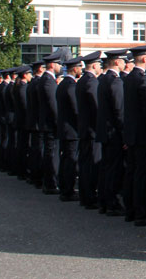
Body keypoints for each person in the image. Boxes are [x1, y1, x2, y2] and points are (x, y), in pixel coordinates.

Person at [123, 44, 146, 225]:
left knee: (133, 172)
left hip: (131, 133)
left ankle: (131, 209)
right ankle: (140, 212)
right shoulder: (141, 79)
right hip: (141, 133)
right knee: (140, 174)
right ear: (144, 58)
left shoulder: (129, 78)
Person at [97, 49, 127, 215]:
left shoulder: (104, 80)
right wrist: (124, 135)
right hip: (114, 133)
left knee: (106, 168)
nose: (124, 64)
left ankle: (104, 201)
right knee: (113, 170)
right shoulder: (115, 81)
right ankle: (111, 202)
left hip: (105, 132)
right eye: (123, 61)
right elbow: (119, 111)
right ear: (117, 62)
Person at [76, 51, 102, 210]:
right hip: (92, 129)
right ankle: (90, 196)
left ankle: (85, 195)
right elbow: (97, 107)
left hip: (84, 129)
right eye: (99, 64)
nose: (100, 67)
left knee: (85, 163)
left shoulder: (82, 81)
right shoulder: (91, 82)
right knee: (91, 165)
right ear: (94, 65)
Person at [38, 49, 64, 195]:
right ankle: (50, 183)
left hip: (47, 123)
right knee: (52, 154)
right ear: (53, 65)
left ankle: (49, 182)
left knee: (50, 152)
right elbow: (53, 106)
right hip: (50, 124)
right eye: (59, 64)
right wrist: (57, 123)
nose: (61, 67)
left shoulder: (46, 80)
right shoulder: (48, 82)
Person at [57, 56, 82, 202]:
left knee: (65, 158)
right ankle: (68, 190)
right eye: (79, 67)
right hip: (71, 130)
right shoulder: (71, 85)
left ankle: (64, 188)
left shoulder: (63, 84)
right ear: (75, 68)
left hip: (65, 129)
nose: (81, 69)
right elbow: (76, 109)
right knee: (70, 161)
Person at [26, 60, 46, 188]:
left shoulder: (32, 83)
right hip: (38, 122)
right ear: (40, 69)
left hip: (33, 121)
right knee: (38, 150)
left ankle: (34, 175)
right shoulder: (38, 83)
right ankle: (37, 177)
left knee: (35, 150)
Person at [12, 65, 31, 180]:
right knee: (23, 146)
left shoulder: (18, 86)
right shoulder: (23, 88)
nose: (31, 76)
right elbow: (25, 106)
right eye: (29, 74)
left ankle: (20, 169)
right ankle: (22, 170)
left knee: (21, 145)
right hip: (23, 120)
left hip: (19, 120)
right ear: (25, 75)